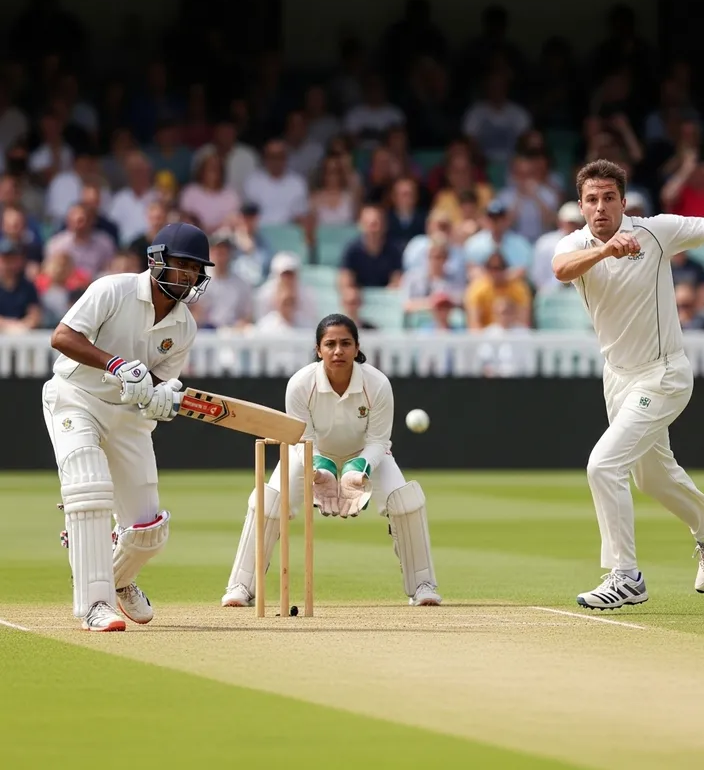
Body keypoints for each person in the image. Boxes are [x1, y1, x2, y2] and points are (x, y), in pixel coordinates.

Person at [551, 159, 704, 610]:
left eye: (608, 198)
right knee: (651, 477)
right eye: (591, 199)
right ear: (580, 205)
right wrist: (606, 251)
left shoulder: (656, 231)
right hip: (618, 378)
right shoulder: (576, 243)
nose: (600, 207)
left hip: (664, 373)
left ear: (623, 202)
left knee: (602, 466)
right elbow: (561, 269)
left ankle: (625, 576)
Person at [42, 223, 214, 632]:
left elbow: (157, 381)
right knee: (89, 487)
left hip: (126, 416)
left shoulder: (185, 326)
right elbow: (62, 336)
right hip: (75, 397)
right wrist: (115, 363)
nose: (189, 276)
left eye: (196, 269)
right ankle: (93, 605)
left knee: (149, 530)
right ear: (158, 261)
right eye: (182, 265)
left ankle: (117, 579)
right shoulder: (113, 289)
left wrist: (160, 397)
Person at [222, 314, 442, 608]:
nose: (338, 351)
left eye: (345, 343)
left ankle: (423, 586)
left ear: (356, 347)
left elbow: (379, 441)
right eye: (330, 344)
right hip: (309, 453)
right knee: (269, 501)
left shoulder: (377, 384)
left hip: (365, 456)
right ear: (318, 349)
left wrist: (358, 468)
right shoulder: (301, 384)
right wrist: (319, 467)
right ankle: (240, 586)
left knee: (406, 501)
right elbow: (301, 439)